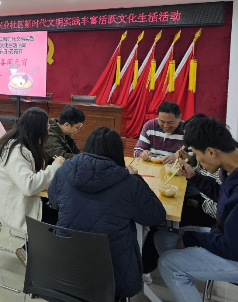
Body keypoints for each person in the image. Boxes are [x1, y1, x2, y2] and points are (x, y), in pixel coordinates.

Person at [48, 127, 166, 299]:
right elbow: (156, 216)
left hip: (65, 265)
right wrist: (137, 178)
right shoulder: (129, 182)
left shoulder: (65, 169)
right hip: (113, 273)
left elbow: (53, 200)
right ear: (117, 152)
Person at [154, 117, 238, 302]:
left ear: (211, 152)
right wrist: (194, 177)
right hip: (232, 239)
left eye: (197, 154)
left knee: (168, 264)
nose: (197, 160)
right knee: (163, 238)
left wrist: (190, 239)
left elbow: (236, 249)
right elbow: (227, 198)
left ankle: (182, 277)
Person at [0, 107, 64, 266]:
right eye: (47, 127)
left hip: (21, 199)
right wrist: (55, 167)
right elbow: (29, 186)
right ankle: (31, 252)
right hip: (12, 207)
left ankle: (36, 249)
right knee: (58, 217)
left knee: (60, 209)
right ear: (36, 129)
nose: (49, 131)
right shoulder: (16, 152)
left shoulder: (26, 144)